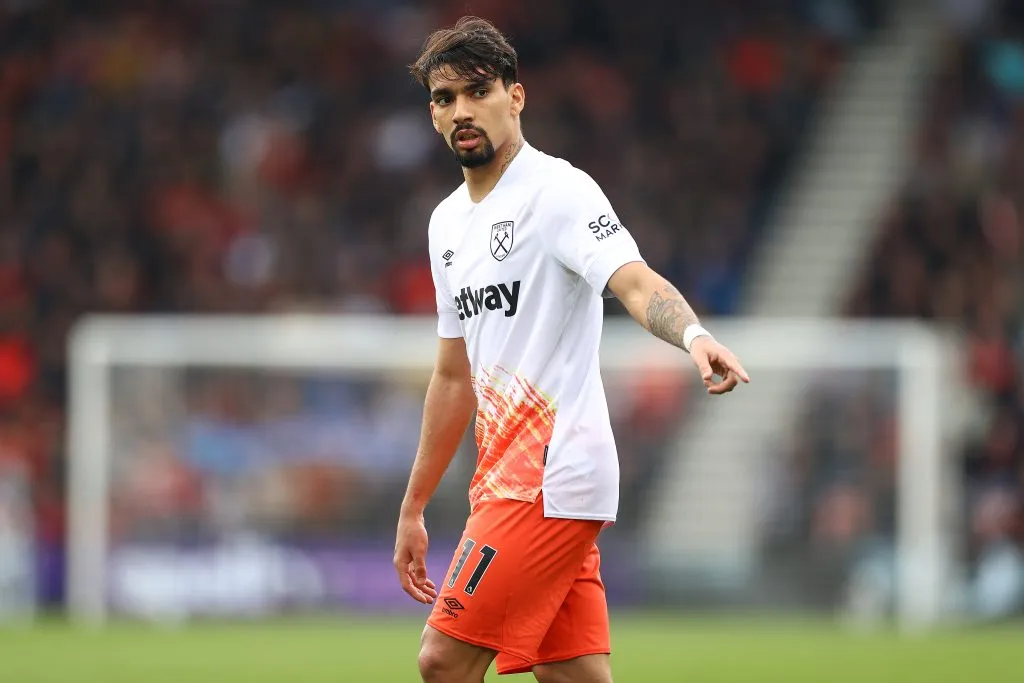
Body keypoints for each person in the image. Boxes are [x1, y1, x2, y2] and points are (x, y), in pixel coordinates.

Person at [393, 16, 750, 683]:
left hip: (549, 476)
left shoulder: (559, 191)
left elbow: (636, 282)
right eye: (445, 98)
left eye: (477, 91)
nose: (461, 110)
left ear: (516, 97)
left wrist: (694, 335)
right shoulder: (446, 223)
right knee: (575, 676)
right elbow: (451, 376)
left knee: (442, 661)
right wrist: (414, 505)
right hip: (508, 478)